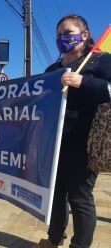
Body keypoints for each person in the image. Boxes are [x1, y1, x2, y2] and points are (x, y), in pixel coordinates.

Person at [36, 15, 111, 248]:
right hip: (55, 143)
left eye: (67, 33)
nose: (62, 38)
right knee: (56, 195)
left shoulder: (100, 61)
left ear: (85, 35)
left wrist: (83, 82)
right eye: (58, 34)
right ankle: (54, 238)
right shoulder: (52, 68)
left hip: (86, 143)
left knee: (80, 198)